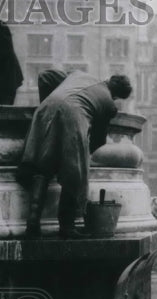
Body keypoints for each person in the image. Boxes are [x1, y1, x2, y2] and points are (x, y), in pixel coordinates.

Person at [17, 72, 133, 238]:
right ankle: (67, 227)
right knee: (75, 174)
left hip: (45, 110)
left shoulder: (79, 75)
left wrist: (48, 99)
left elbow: (44, 76)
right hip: (73, 117)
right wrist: (83, 155)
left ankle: (33, 225)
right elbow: (98, 140)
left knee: (42, 168)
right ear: (116, 95)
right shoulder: (109, 104)